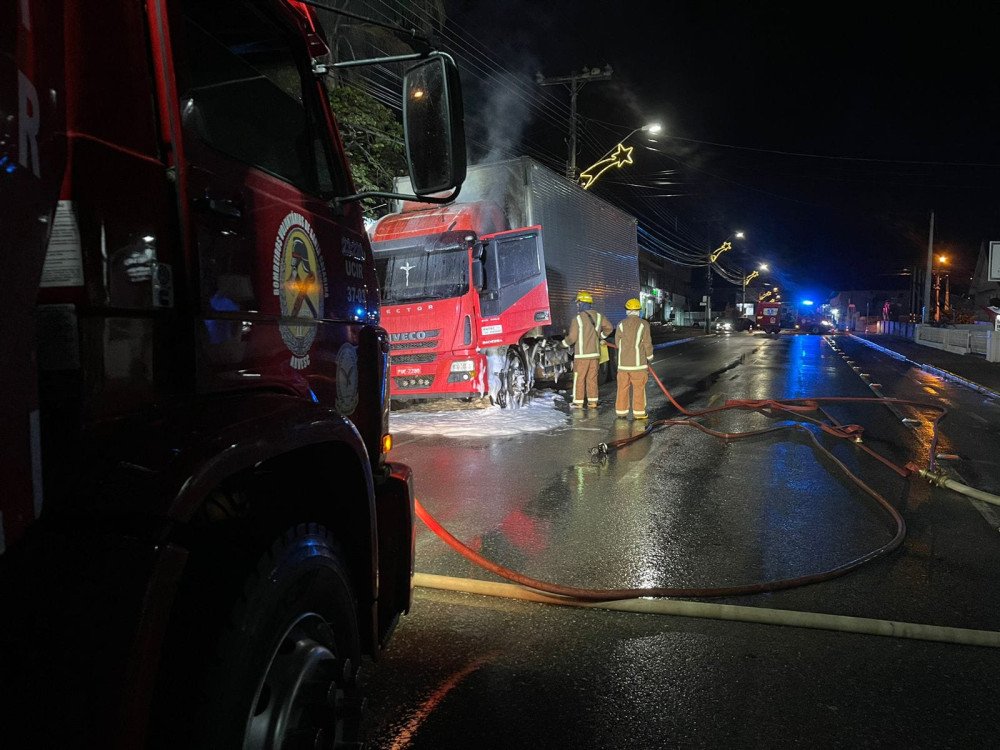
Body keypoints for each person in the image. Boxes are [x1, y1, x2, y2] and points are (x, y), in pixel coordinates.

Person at [562, 290, 612, 409]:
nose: (577, 305)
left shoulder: (578, 319)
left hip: (582, 356)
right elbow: (609, 328)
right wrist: (601, 337)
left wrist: (562, 344)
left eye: (578, 303)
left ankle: (578, 402)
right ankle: (593, 402)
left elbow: (572, 338)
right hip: (595, 355)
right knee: (592, 378)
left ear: (583, 303)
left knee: (579, 378)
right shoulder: (599, 317)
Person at [615, 297, 654, 419]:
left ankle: (621, 412)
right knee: (638, 388)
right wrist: (650, 357)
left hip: (623, 366)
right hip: (638, 365)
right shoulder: (644, 324)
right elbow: (647, 343)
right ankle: (639, 413)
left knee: (622, 388)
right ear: (639, 310)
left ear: (627, 311)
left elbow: (617, 343)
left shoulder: (621, 324)